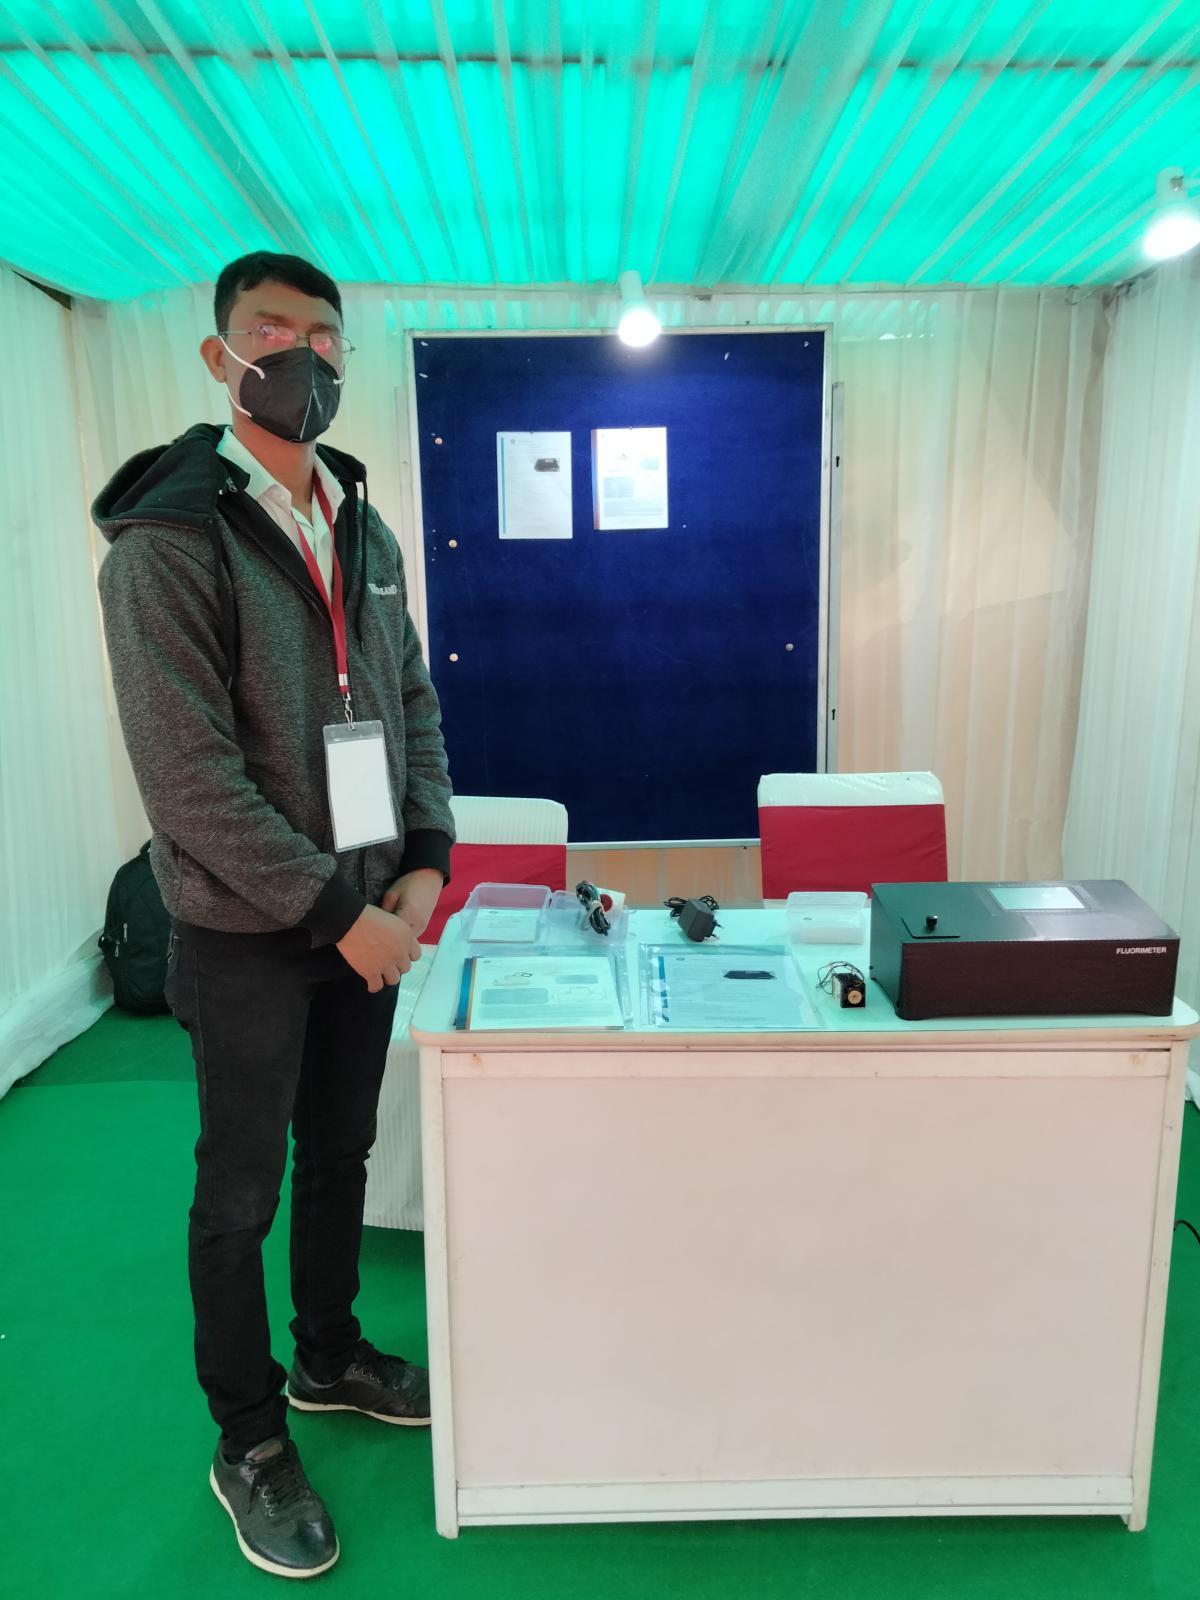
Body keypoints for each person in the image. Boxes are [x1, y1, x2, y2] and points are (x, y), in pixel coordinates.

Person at [94, 251, 453, 1579]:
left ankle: (329, 1357)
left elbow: (408, 701)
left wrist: (425, 856)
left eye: (323, 334)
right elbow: (188, 780)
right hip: (248, 931)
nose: (302, 354)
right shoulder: (167, 543)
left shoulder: (363, 526)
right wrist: (333, 909)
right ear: (221, 356)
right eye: (270, 331)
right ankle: (247, 1438)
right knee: (239, 1191)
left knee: (342, 1152)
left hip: (368, 912)